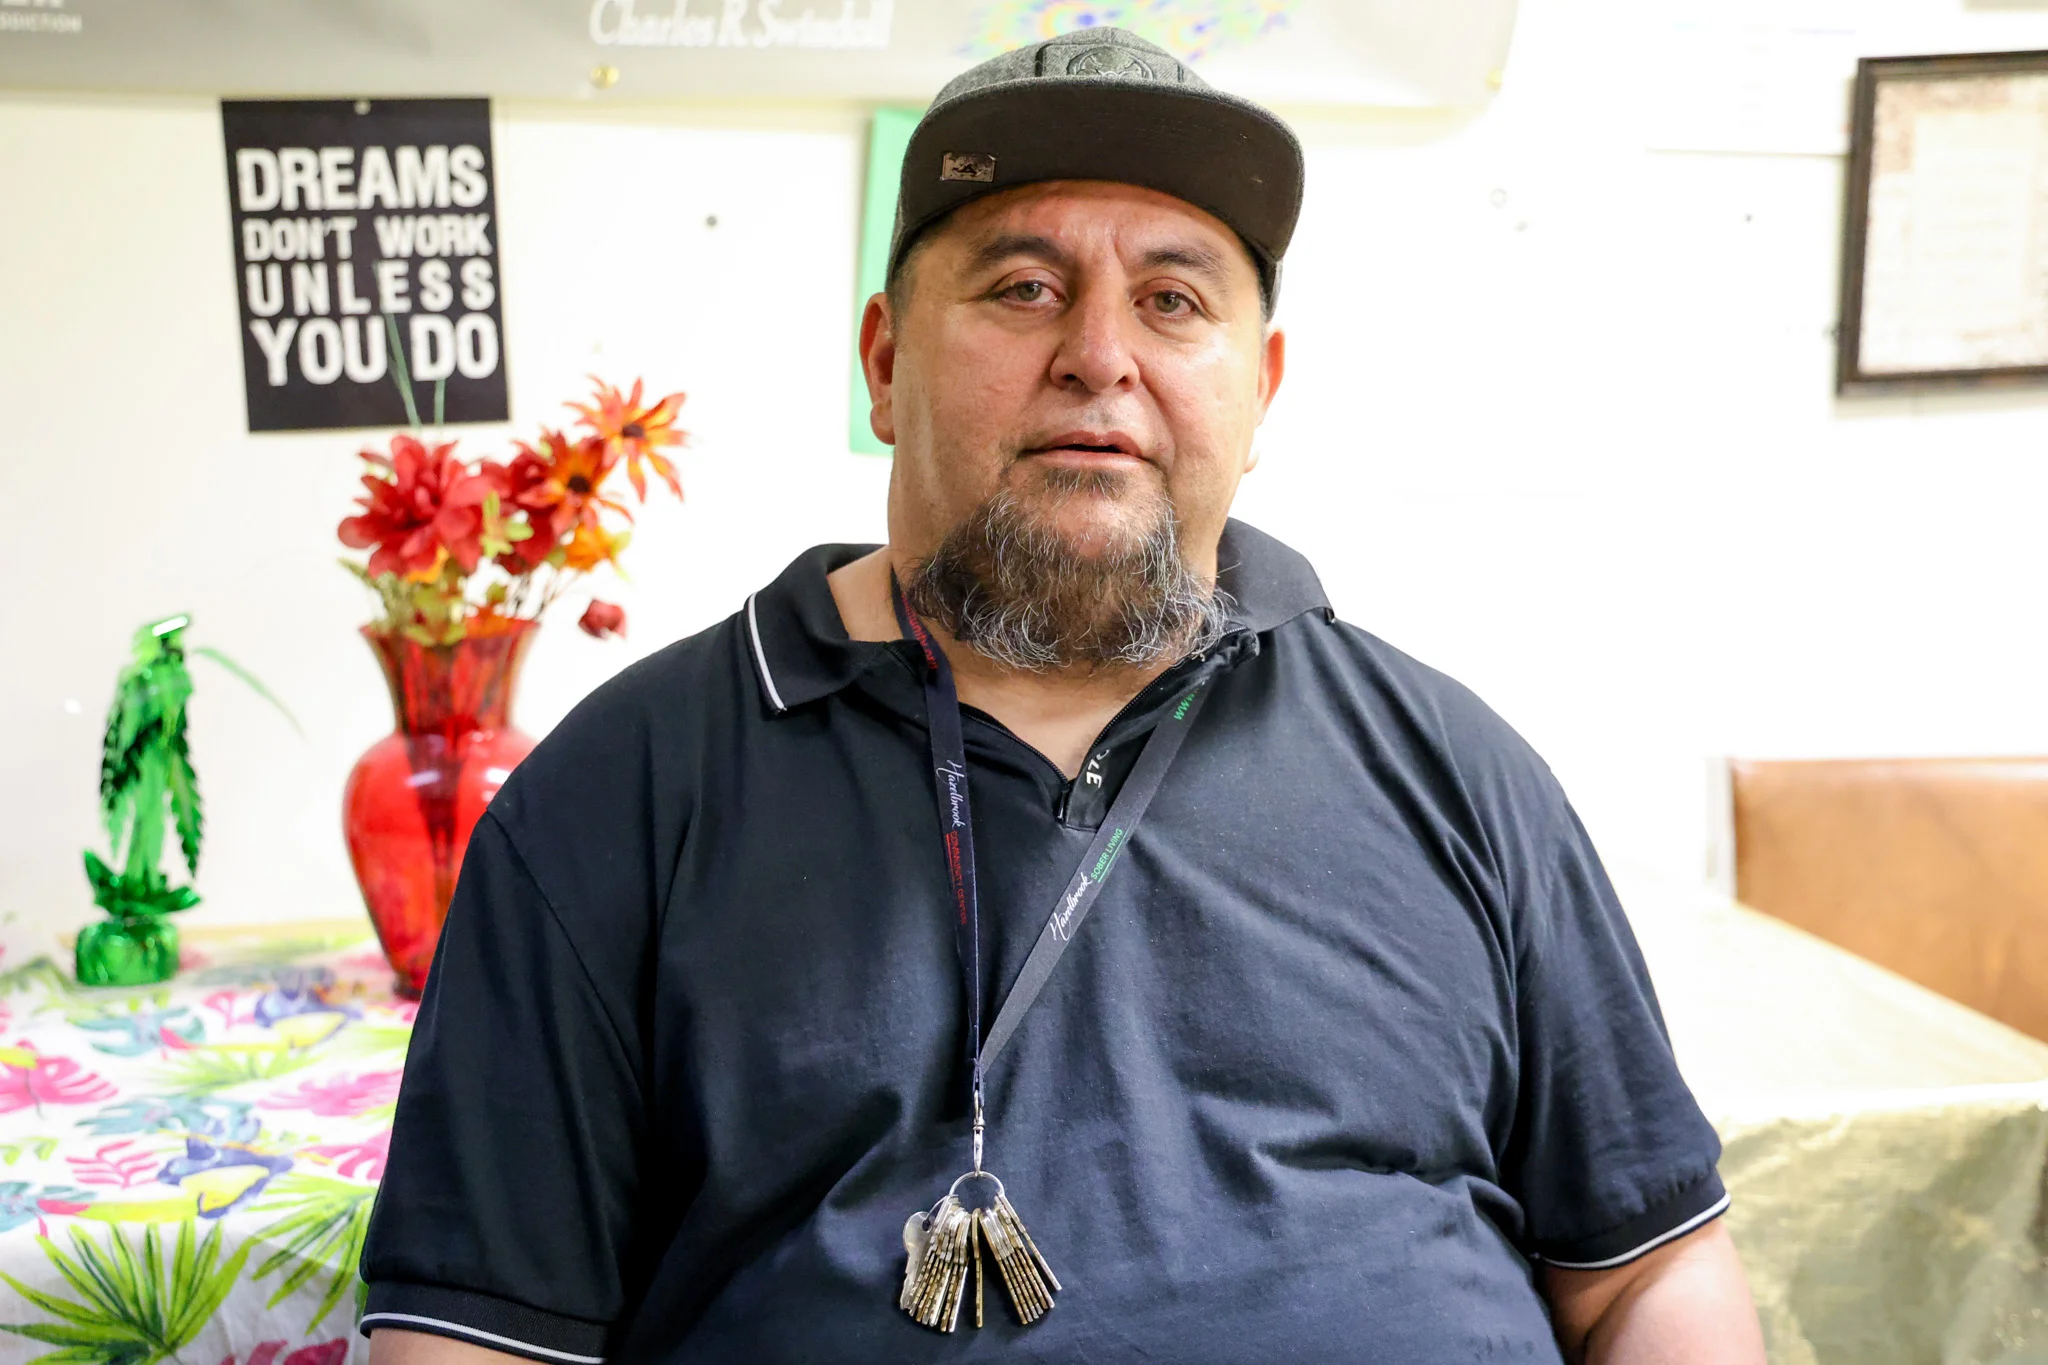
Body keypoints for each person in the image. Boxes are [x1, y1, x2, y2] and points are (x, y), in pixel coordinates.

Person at [361, 27, 1765, 1365]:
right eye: (1023, 286)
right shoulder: (624, 791)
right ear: (885, 364)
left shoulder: (1456, 766)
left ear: (1260, 389)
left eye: (1174, 299)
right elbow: (475, 1331)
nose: (1102, 352)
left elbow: (1647, 1265)